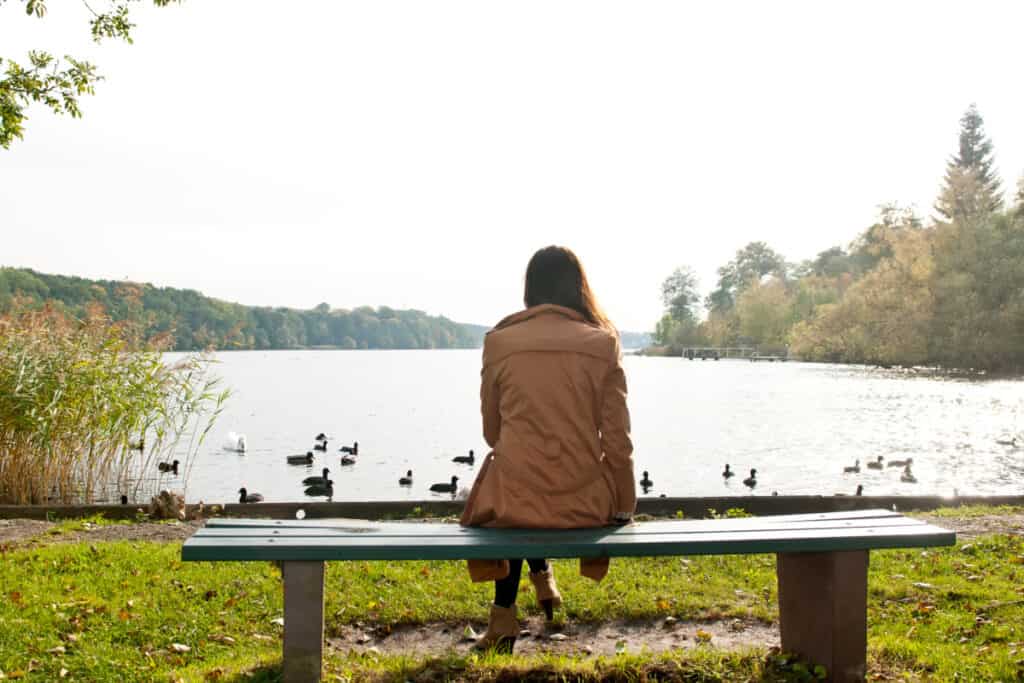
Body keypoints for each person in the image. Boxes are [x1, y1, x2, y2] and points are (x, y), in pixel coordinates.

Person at [459, 245, 635, 653]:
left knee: (513, 495)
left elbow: (492, 433)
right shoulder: (603, 343)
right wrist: (625, 504)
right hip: (585, 503)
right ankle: (544, 586)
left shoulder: (499, 343)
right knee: (526, 493)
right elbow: (618, 441)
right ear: (579, 287)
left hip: (515, 501)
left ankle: (504, 619)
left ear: (530, 288)